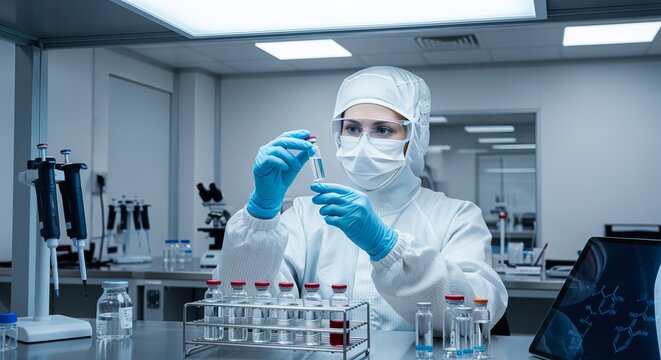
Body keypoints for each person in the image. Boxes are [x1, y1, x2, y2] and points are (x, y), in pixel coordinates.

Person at [213, 66, 508, 331]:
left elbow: (475, 315)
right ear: (339, 133)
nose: (364, 142)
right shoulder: (306, 215)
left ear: (413, 139)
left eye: (382, 129)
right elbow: (240, 311)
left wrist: (386, 246)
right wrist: (261, 216)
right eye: (353, 128)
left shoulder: (456, 217)